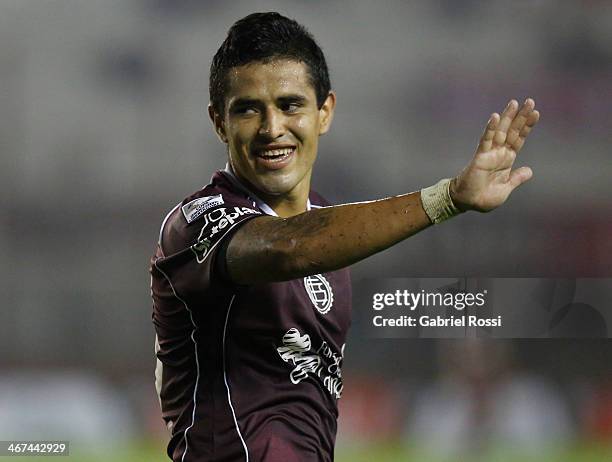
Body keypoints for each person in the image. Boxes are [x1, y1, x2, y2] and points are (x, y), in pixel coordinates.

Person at [150, 11, 540, 462]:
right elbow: (289, 248)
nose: (271, 128)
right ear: (219, 122)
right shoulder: (195, 224)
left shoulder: (330, 233)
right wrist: (446, 198)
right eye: (247, 109)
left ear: (325, 112)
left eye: (290, 104)